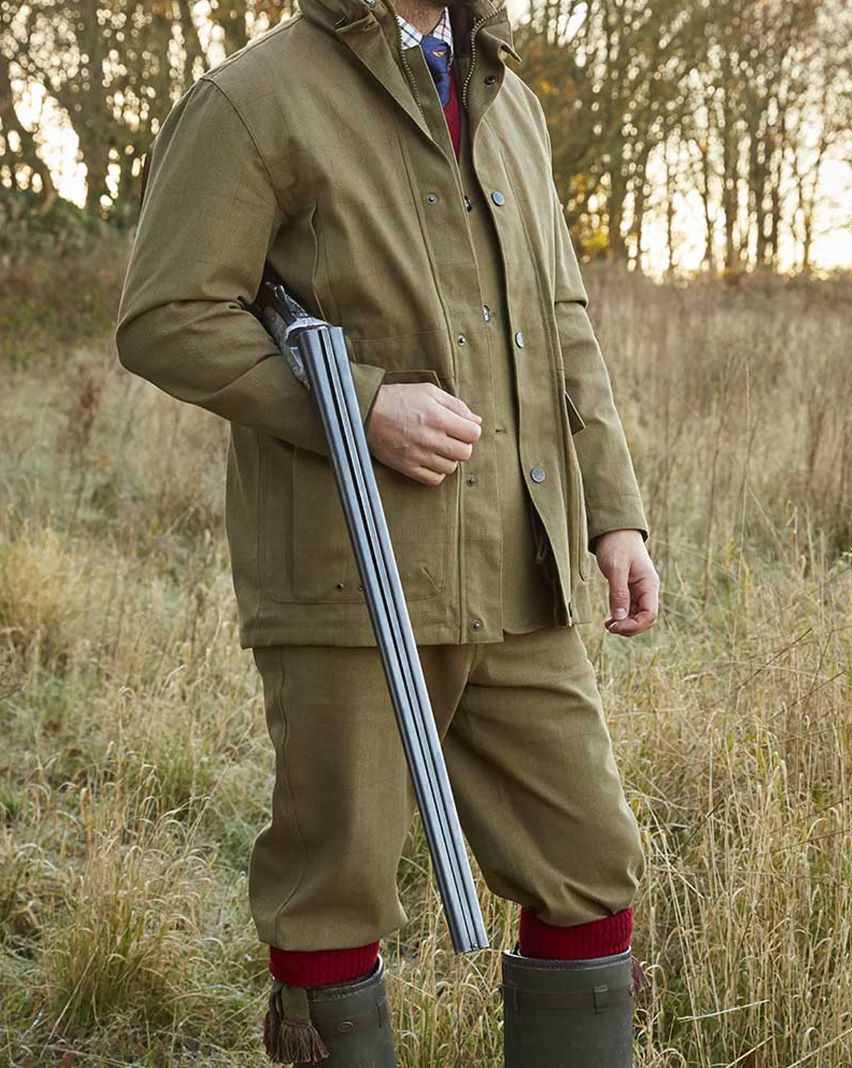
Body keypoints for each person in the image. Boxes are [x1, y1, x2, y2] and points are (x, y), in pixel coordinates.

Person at [114, 0, 660, 1064]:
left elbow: (562, 319)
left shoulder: (510, 105)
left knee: (589, 863)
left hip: (518, 565)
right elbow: (167, 315)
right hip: (347, 573)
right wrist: (355, 406)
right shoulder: (253, 97)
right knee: (337, 889)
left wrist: (614, 514)